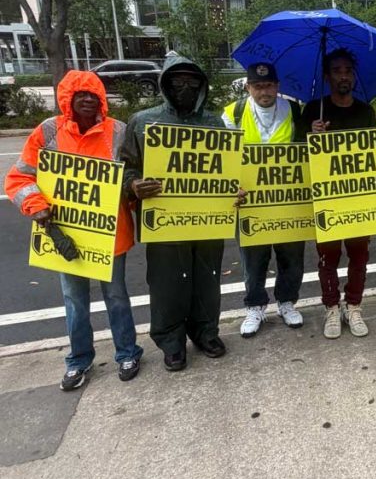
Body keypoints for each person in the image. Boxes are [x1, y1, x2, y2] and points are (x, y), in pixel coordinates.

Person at [6, 70, 142, 390]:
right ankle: (79, 360)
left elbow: (131, 177)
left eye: (92, 95)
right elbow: (19, 179)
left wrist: (135, 195)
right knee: (74, 300)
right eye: (79, 94)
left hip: (110, 235)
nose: (86, 100)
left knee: (117, 297)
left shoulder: (119, 131)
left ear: (101, 100)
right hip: (63, 233)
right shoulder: (48, 131)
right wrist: (34, 206)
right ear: (66, 99)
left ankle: (127, 352)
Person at [121, 55, 232, 372]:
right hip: (165, 220)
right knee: (168, 284)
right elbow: (124, 168)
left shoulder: (213, 123)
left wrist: (233, 190)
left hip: (207, 219)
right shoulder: (142, 121)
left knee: (207, 281)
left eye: (191, 81)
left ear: (201, 86)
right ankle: (172, 343)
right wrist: (134, 185)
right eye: (178, 81)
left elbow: (226, 169)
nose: (185, 87)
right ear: (166, 84)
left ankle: (206, 333)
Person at [299, 48, 376, 340]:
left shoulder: (365, 111)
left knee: (359, 257)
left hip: (360, 200)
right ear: (328, 76)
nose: (344, 75)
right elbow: (295, 159)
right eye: (337, 70)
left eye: (348, 70)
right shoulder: (312, 110)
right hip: (327, 199)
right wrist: (310, 137)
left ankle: (354, 305)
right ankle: (331, 307)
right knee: (328, 258)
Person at [222, 62, 306, 338]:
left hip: (287, 200)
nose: (264, 91)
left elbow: (306, 151)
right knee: (253, 259)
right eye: (257, 86)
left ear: (277, 86)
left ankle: (286, 302)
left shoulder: (294, 110)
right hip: (250, 202)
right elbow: (222, 158)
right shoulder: (232, 113)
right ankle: (255, 306)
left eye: (268, 85)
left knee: (291, 257)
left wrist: (315, 133)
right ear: (248, 87)